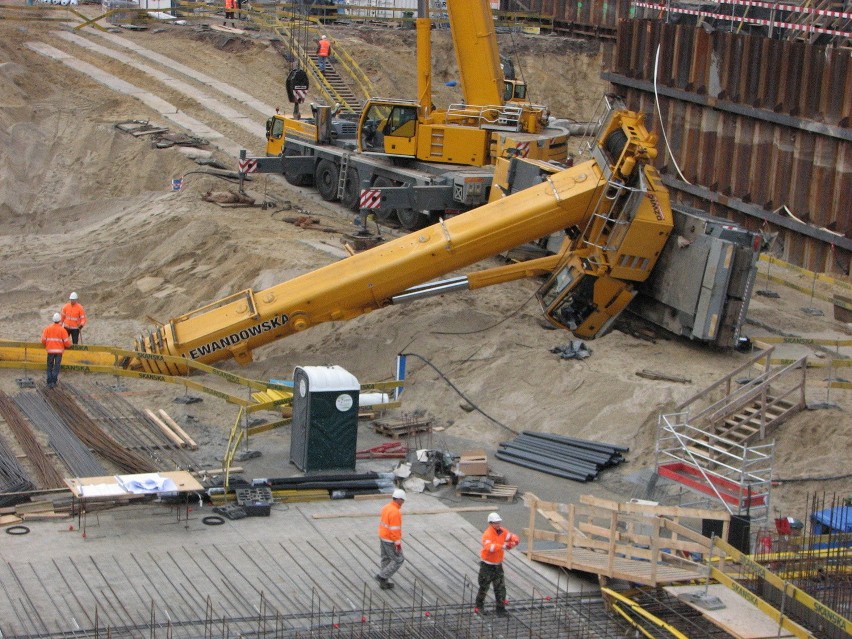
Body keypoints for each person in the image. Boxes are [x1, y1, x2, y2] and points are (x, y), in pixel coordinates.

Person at [475, 512, 519, 615]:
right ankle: (479, 608)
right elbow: (489, 547)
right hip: (487, 565)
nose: (498, 524)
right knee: (484, 587)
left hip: (498, 565)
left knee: (500, 588)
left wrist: (515, 539)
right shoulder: (487, 534)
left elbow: (510, 536)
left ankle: (500, 609)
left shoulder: (502, 531)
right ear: (490, 523)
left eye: (499, 522)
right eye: (496, 523)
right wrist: (503, 546)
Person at [375, 488, 406, 590]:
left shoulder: (386, 507)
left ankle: (383, 583)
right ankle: (382, 576)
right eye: (403, 500)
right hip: (390, 540)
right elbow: (395, 530)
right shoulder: (395, 512)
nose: (403, 503)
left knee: (386, 559)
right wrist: (397, 544)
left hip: (383, 536)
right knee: (398, 559)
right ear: (399, 499)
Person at [41, 312, 71, 388]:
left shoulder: (47, 328)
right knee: (56, 366)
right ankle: (54, 382)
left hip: (50, 351)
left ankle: (49, 381)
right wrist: (69, 346)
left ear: (53, 320)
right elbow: (67, 342)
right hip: (59, 352)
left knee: (49, 366)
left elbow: (43, 340)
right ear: (60, 320)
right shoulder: (62, 330)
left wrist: (47, 345)